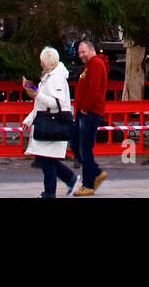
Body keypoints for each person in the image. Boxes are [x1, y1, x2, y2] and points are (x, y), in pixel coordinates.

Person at [22, 46, 80, 198]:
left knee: (46, 161)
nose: (40, 64)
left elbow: (55, 102)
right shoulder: (49, 76)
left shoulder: (55, 78)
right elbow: (41, 96)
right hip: (49, 124)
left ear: (46, 62)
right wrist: (30, 87)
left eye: (42, 61)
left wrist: (36, 94)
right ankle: (70, 180)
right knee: (47, 160)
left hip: (52, 125)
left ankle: (50, 192)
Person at [72, 40, 109, 196]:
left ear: (91, 50)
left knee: (84, 149)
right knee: (77, 145)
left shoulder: (95, 64)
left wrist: (85, 107)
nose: (81, 55)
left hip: (90, 112)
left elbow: (94, 88)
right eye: (79, 53)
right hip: (84, 111)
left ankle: (88, 184)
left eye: (83, 52)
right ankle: (96, 173)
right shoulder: (90, 65)